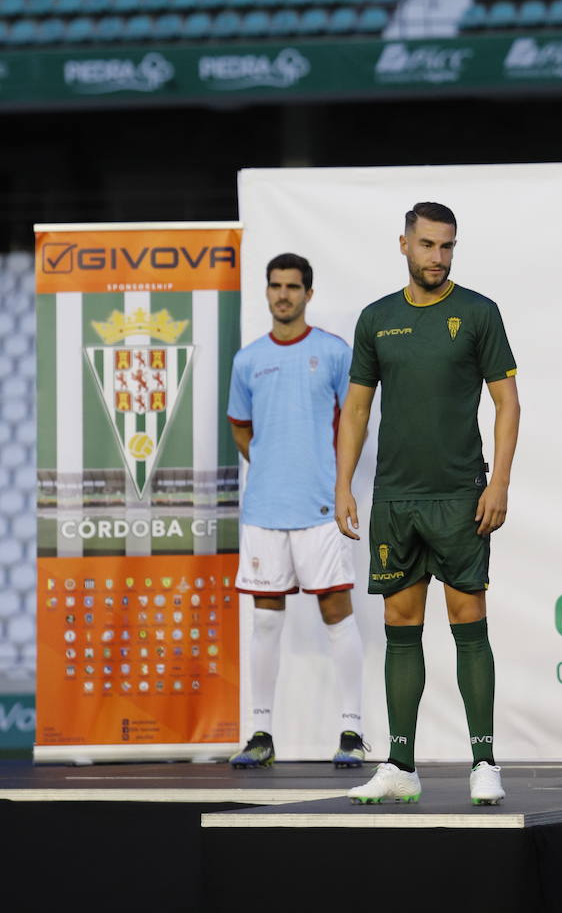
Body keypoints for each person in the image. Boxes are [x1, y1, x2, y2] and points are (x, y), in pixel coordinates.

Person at [335, 203, 520, 805]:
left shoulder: (478, 313)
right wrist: (343, 486)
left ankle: (484, 762)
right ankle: (401, 766)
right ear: (404, 245)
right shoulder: (376, 319)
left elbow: (507, 401)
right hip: (396, 497)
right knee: (400, 626)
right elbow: (357, 409)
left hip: (460, 496)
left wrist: (500, 483)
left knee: (469, 622)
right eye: (428, 246)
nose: (438, 257)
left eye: (447, 247)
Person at [228, 252, 366, 769]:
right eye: (275, 286)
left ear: (309, 293)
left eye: (293, 286)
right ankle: (260, 733)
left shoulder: (333, 353)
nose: (283, 294)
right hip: (264, 509)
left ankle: (352, 731)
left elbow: (355, 419)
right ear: (266, 293)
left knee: (336, 614)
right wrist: (269, 467)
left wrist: (338, 481)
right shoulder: (247, 360)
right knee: (266, 623)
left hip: (321, 508)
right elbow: (241, 426)